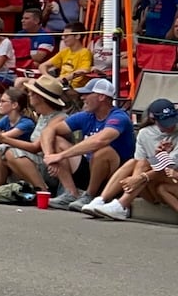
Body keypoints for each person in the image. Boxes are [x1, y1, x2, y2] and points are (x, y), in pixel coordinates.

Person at [42, 77, 136, 210]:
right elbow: (49, 129)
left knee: (103, 151)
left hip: (115, 176)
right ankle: (71, 194)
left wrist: (61, 156)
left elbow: (100, 140)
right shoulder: (87, 115)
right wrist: (49, 156)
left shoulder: (119, 117)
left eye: (87, 94)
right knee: (57, 140)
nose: (82, 98)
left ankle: (90, 195)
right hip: (90, 168)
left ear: (101, 97)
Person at [82, 98, 178, 220]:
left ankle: (122, 204)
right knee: (135, 162)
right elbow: (144, 163)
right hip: (150, 184)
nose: (171, 125)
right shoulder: (144, 133)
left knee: (143, 164)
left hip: (170, 182)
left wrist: (141, 178)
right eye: (165, 122)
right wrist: (157, 155)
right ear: (153, 119)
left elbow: (170, 167)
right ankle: (101, 200)